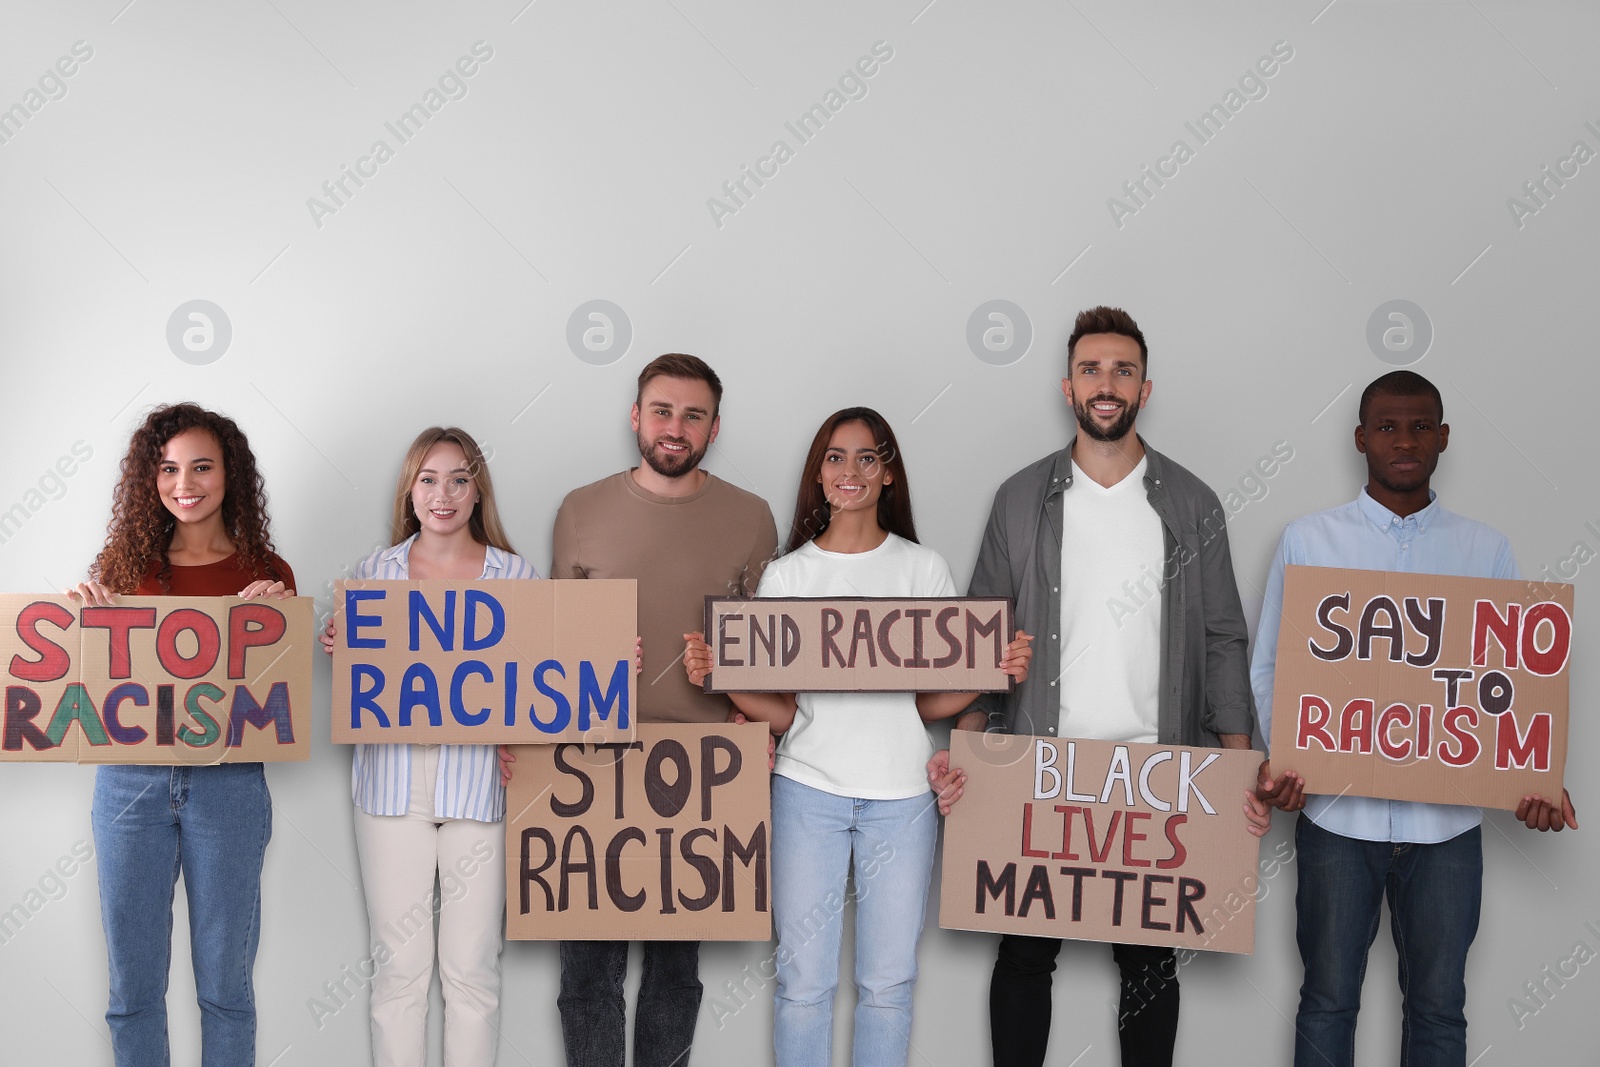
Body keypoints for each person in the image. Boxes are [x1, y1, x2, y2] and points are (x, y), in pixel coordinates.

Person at [935, 306, 1271, 1067]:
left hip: (1155, 772)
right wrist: (968, 757)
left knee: (1149, 964)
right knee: (1024, 956)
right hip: (1039, 769)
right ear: (1067, 386)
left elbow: (1224, 637)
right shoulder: (1020, 498)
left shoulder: (1192, 502)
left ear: (1145, 388)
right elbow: (980, 633)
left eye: (1123, 370)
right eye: (1092, 369)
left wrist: (1239, 769)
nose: (1106, 383)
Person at [682, 407, 1033, 1067]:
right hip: (806, 790)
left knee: (888, 985)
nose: (851, 471)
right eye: (837, 457)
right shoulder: (787, 576)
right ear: (819, 472)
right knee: (803, 985)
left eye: (867, 457)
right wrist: (720, 678)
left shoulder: (922, 569)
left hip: (903, 799)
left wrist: (994, 673)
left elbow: (928, 700)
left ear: (888, 472)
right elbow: (786, 713)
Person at [1251, 370, 1577, 1067]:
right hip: (1338, 819)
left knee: (1438, 1007)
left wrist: (1533, 772)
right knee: (1328, 998)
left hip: (1445, 828)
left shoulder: (1484, 550)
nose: (1406, 440)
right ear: (1362, 438)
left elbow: (1506, 684)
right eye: (1390, 427)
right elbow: (1270, 665)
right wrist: (1286, 755)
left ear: (1444, 438)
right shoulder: (1308, 540)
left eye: (1422, 426)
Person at [502, 353, 779, 1067]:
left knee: (674, 974)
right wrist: (525, 730)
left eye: (693, 415)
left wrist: (752, 719)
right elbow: (550, 644)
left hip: (698, 775)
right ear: (635, 416)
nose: (675, 427)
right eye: (662, 410)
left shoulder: (751, 518)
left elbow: (770, 649)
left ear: (715, 427)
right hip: (587, 763)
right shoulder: (580, 509)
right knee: (587, 975)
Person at [67, 402, 296, 1067]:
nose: (184, 482)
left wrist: (278, 629)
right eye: (168, 468)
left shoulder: (266, 573)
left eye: (201, 465)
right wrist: (78, 623)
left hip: (229, 785)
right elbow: (92, 684)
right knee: (132, 988)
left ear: (230, 474)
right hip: (129, 784)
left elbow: (276, 696)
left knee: (226, 989)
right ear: (150, 479)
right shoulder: (121, 567)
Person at [321, 427, 536, 1066]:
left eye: (459, 480)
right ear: (410, 491)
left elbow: (544, 679)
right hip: (390, 790)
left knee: (473, 971)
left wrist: (605, 653)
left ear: (478, 493)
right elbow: (368, 682)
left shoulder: (516, 575)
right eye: (429, 479)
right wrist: (342, 647)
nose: (443, 494)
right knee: (399, 971)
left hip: (482, 789)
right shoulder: (374, 573)